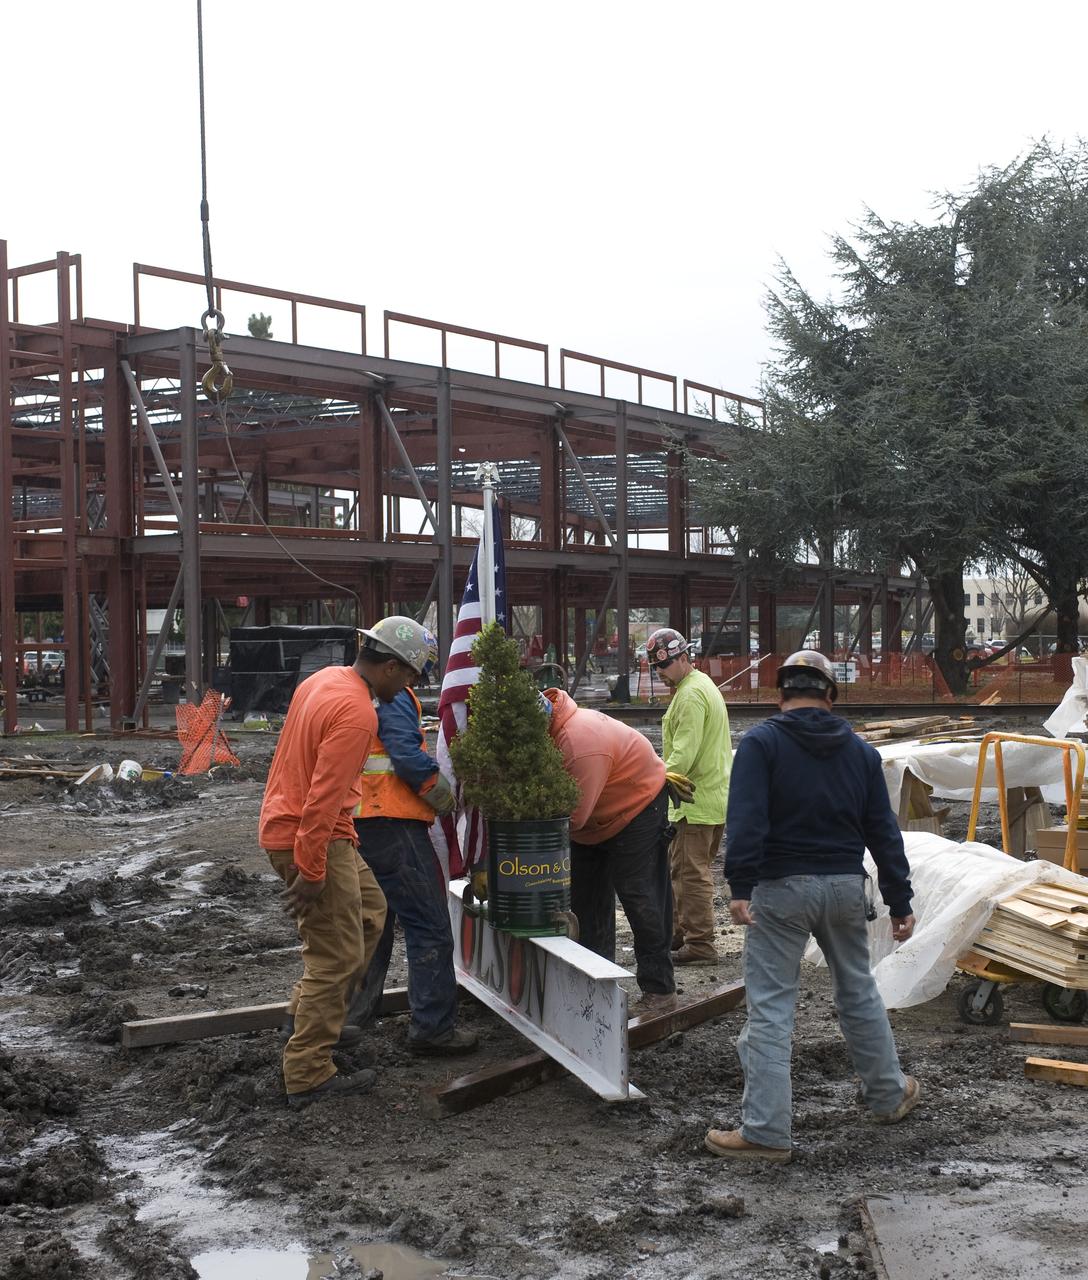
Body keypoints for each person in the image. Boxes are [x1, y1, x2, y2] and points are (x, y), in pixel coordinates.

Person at [706, 649, 919, 1162]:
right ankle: (889, 1096)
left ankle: (765, 1131)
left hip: (780, 890)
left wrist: (739, 886)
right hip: (846, 888)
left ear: (781, 694)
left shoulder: (761, 744)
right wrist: (900, 900)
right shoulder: (862, 754)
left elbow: (748, 820)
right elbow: (884, 834)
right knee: (858, 990)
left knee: (772, 1007)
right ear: (830, 695)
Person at [259, 615, 435, 1109]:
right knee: (335, 958)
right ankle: (309, 1071)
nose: (410, 687)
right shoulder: (358, 713)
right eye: (411, 675)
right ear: (391, 666)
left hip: (317, 832)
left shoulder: (323, 680)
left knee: (370, 914)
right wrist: (312, 872)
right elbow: (321, 799)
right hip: (311, 836)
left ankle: (306, 1019)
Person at [348, 671, 479, 1057]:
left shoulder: (361, 692)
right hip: (395, 823)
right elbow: (405, 755)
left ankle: (351, 1019)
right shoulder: (395, 695)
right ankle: (433, 1029)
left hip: (361, 822)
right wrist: (440, 793)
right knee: (431, 924)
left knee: (373, 924)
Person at [541, 687, 677, 1011]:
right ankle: (596, 986)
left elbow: (572, 818)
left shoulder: (579, 744)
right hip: (596, 814)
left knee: (640, 894)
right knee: (584, 900)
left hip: (638, 805)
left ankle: (660, 990)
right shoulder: (549, 737)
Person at [645, 627, 732, 966]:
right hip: (709, 797)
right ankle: (682, 934)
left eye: (663, 667)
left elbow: (683, 755)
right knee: (680, 871)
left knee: (690, 875)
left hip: (692, 802)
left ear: (683, 658)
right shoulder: (699, 686)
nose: (660, 674)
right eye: (656, 668)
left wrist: (651, 781)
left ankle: (700, 945)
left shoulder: (691, 695)